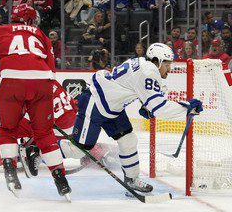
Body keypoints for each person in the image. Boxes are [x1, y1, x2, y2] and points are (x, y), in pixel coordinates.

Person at [58, 43, 203, 193]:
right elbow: (159, 108)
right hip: (95, 103)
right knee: (78, 151)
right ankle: (41, 148)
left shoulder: (143, 64)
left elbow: (138, 90)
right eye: (166, 64)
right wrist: (187, 107)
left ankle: (131, 180)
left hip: (112, 106)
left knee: (128, 140)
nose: (169, 69)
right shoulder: (149, 72)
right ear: (156, 61)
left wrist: (146, 107)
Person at [0, 4, 71, 199]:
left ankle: (10, 172)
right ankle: (60, 178)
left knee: (7, 130)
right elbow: (52, 72)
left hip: (10, 82)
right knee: (44, 133)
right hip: (42, 82)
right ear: (30, 19)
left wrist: (3, 79)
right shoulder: (40, 33)